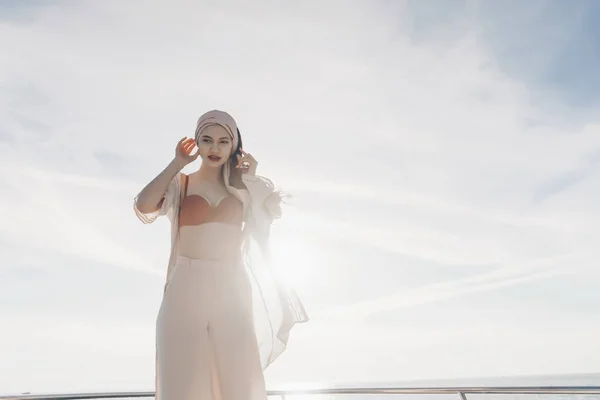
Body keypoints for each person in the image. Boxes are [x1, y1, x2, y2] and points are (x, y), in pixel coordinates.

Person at [133, 110, 308, 400]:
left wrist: (250, 182)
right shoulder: (181, 184)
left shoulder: (246, 189)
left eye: (224, 141)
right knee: (181, 381)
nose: (215, 148)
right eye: (207, 140)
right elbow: (144, 205)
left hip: (231, 288)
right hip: (185, 288)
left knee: (239, 380)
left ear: (234, 145)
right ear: (197, 144)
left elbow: (261, 236)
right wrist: (177, 163)